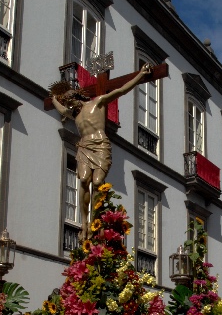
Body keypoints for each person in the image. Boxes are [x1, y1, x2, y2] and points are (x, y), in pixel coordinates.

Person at [50, 64, 153, 240]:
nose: (68, 106)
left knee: (97, 182)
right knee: (83, 180)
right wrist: (53, 99)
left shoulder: (96, 103)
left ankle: (95, 220)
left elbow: (120, 90)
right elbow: (61, 110)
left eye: (69, 102)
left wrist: (140, 76)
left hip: (101, 145)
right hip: (84, 146)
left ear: (76, 98)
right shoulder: (75, 114)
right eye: (66, 104)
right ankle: (84, 222)